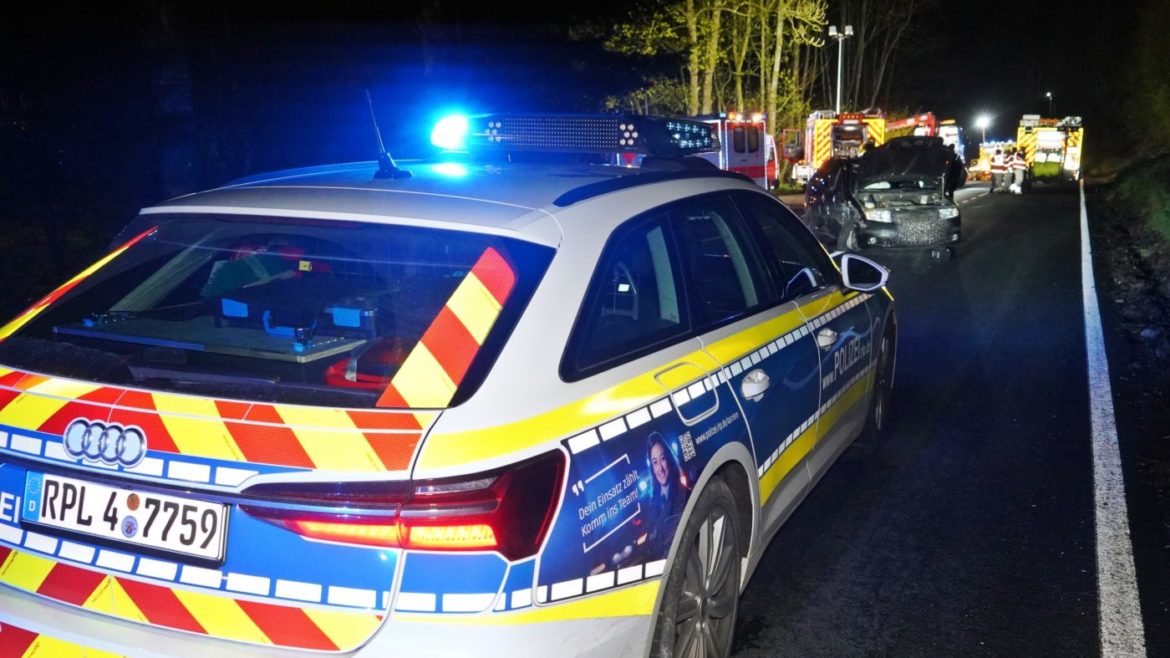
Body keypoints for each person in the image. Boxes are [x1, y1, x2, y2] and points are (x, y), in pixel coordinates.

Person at [644, 432, 687, 556]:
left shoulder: (684, 495)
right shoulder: (652, 506)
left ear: (669, 459)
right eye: (655, 462)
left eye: (662, 459)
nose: (660, 469)